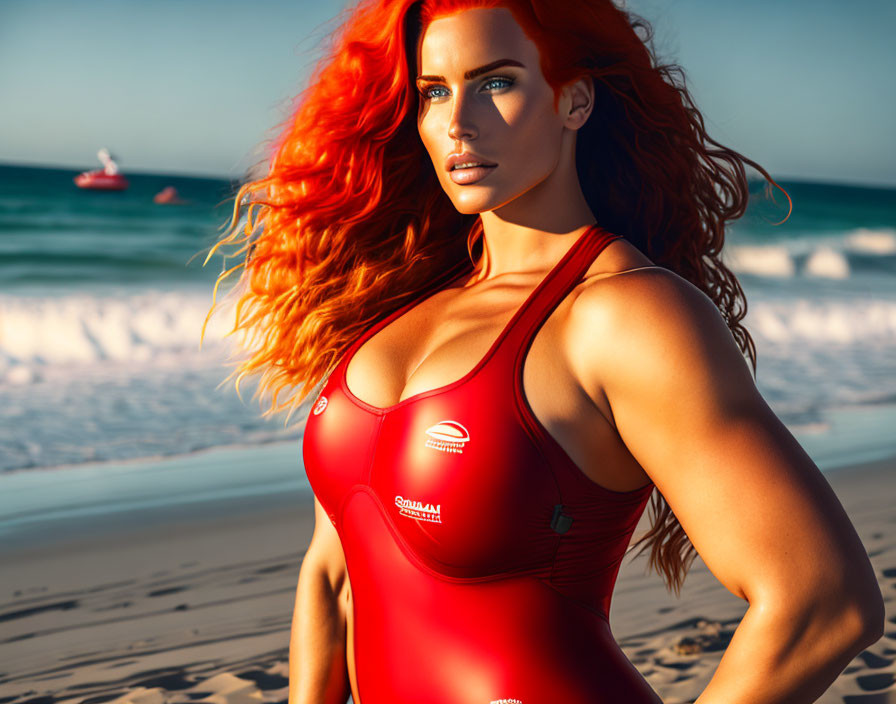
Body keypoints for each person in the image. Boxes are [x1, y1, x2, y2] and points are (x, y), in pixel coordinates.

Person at [203, 1, 884, 702]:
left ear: (574, 100)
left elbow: (823, 602)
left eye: (496, 83)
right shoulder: (402, 308)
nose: (458, 122)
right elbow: (332, 574)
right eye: (434, 91)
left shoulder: (626, 316)